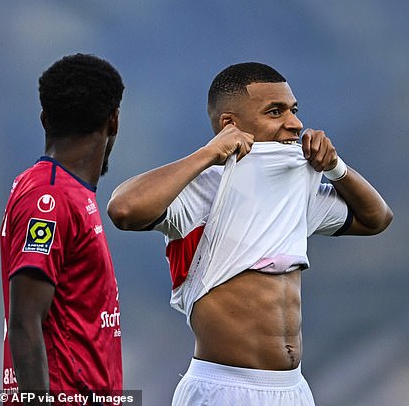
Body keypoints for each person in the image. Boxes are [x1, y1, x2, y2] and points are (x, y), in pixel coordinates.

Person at [107, 62, 392, 405]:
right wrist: (210, 152)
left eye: (294, 110)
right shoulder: (201, 189)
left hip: (294, 389)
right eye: (276, 111)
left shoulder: (296, 189)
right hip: (224, 389)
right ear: (230, 124)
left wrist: (336, 167)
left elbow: (377, 219)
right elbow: (123, 209)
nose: (295, 123)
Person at [0, 53, 125, 404]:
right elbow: (25, 320)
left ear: (44, 120)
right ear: (113, 121)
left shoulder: (66, 191)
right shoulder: (48, 198)